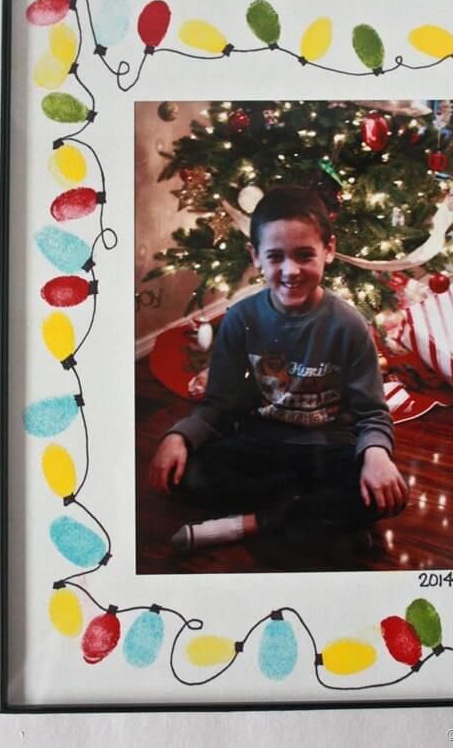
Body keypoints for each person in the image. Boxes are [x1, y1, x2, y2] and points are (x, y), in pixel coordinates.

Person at [148, 185, 408, 553]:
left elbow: (371, 413)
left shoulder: (349, 325)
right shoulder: (240, 320)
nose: (291, 271)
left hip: (326, 450)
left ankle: (253, 523)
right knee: (186, 475)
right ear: (256, 257)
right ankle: (312, 520)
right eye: (275, 257)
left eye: (305, 255)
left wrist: (377, 456)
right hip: (261, 447)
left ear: (328, 250)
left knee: (391, 493)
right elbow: (218, 403)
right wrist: (179, 436)